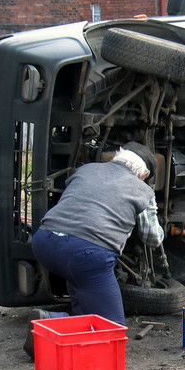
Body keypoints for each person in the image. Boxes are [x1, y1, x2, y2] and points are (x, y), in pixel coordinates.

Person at [24, 142, 164, 358]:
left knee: (84, 293)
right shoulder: (143, 191)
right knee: (113, 328)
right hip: (86, 252)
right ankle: (48, 323)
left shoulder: (86, 170)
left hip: (45, 241)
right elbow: (152, 238)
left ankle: (57, 344)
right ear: (144, 173)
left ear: (116, 157)